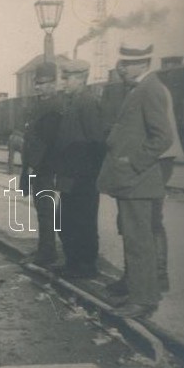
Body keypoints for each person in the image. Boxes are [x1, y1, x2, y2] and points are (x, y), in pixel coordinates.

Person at [97, 41, 173, 319]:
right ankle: (138, 293)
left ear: (144, 63)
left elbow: (163, 136)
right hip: (132, 181)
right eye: (123, 62)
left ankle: (143, 300)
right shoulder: (140, 89)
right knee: (134, 237)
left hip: (138, 181)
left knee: (139, 241)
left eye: (128, 63)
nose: (123, 68)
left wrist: (134, 162)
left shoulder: (149, 89)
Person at [54, 59, 107, 279]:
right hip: (69, 173)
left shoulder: (87, 102)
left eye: (68, 78)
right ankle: (73, 262)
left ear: (82, 79)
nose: (64, 82)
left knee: (83, 220)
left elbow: (96, 140)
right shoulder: (73, 101)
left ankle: (85, 265)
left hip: (83, 175)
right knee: (64, 220)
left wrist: (90, 173)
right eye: (64, 77)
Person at [19, 61, 63, 266]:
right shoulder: (40, 105)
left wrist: (33, 165)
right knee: (42, 209)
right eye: (37, 83)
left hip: (46, 166)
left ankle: (48, 253)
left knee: (46, 210)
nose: (38, 87)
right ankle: (45, 250)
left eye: (43, 83)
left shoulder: (54, 106)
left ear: (54, 83)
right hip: (39, 166)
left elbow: (47, 140)